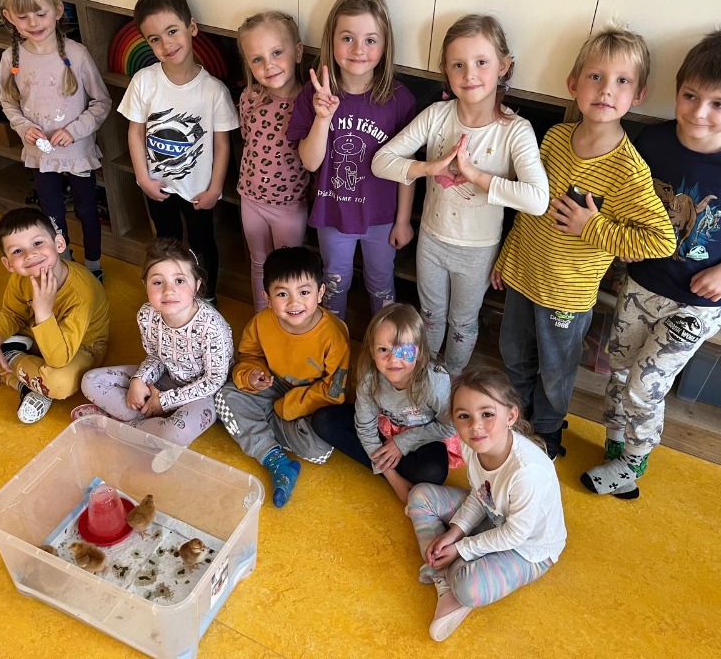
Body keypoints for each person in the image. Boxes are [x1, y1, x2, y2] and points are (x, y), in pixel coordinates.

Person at [582, 26, 721, 498]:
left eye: (718, 104)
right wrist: (620, 238)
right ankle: (617, 441)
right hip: (642, 283)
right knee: (618, 368)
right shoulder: (651, 142)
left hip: (697, 304)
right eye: (690, 96)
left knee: (644, 385)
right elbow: (623, 196)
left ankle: (633, 461)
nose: (698, 112)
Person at [492, 24, 676, 459]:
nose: (606, 89)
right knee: (514, 356)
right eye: (596, 76)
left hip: (567, 295)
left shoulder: (628, 169)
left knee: (554, 371)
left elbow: (660, 240)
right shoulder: (555, 138)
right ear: (574, 84)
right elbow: (530, 206)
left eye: (622, 81)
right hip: (523, 276)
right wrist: (506, 257)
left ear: (638, 94)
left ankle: (548, 433)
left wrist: (590, 227)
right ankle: (517, 423)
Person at [373, 15, 548, 375]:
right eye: (458, 65)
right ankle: (423, 377)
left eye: (481, 62)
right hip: (431, 241)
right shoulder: (437, 115)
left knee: (463, 323)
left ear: (503, 66)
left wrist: (475, 175)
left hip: (477, 250)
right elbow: (381, 162)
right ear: (446, 71)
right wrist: (430, 167)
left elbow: (537, 199)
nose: (470, 74)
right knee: (429, 316)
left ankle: (449, 379)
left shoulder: (515, 130)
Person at [406, 365, 566, 641]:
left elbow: (516, 535)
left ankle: (446, 576)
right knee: (419, 496)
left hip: (529, 548)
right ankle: (444, 576)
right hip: (493, 516)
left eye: (487, 414)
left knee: (469, 587)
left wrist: (461, 547)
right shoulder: (472, 445)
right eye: (463, 416)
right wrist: (454, 534)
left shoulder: (527, 472)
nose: (475, 426)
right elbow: (482, 495)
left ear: (511, 416)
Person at [288, 0, 417, 320]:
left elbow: (407, 168)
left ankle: (383, 348)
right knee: (334, 285)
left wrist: (404, 220)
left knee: (382, 285)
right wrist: (322, 117)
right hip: (333, 214)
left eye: (370, 40)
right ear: (331, 41)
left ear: (385, 45)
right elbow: (310, 162)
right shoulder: (314, 95)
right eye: (347, 38)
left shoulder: (399, 100)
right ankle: (334, 345)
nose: (359, 49)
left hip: (382, 218)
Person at [118, 0, 239, 304]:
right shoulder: (144, 81)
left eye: (172, 31)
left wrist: (215, 189)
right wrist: (143, 178)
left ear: (191, 27)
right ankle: (171, 298)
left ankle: (207, 300)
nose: (166, 44)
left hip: (198, 190)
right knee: (165, 244)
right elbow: (135, 132)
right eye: (155, 39)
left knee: (202, 243)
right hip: (158, 186)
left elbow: (222, 145)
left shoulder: (213, 91)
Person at [0, 0, 112, 281]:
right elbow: (8, 103)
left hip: (77, 153)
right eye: (23, 16)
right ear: (9, 17)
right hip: (41, 156)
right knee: (51, 215)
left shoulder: (77, 54)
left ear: (58, 11)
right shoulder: (11, 58)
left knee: (87, 211)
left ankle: (93, 267)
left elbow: (102, 102)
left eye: (40, 13)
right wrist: (23, 128)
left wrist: (74, 131)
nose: (34, 23)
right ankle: (63, 263)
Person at [76, 239, 233, 465]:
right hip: (165, 378)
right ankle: (144, 428)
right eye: (158, 282)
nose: (169, 290)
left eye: (180, 281)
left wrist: (164, 402)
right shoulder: (146, 315)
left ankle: (122, 426)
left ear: (197, 285)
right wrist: (139, 380)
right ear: (145, 284)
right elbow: (156, 356)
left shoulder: (212, 327)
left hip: (203, 395)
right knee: (90, 381)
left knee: (176, 433)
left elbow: (214, 381)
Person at [216, 246, 350, 508]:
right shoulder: (261, 322)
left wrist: (286, 407)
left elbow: (334, 391)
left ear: (320, 292)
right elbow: (249, 355)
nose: (294, 303)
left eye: (304, 292)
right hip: (273, 384)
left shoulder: (334, 336)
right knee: (225, 395)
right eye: (282, 294)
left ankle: (256, 427)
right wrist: (252, 375)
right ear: (267, 297)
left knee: (319, 450)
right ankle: (274, 458)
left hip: (311, 401)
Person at [0, 207, 109, 423]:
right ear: (8, 264)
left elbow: (59, 359)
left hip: (79, 348)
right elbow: (12, 313)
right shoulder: (20, 278)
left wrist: (43, 311)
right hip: (32, 332)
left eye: (37, 243)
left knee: (59, 384)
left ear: (59, 244)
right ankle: (25, 385)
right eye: (18, 251)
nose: (30, 255)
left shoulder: (81, 293)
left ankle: (11, 356)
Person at [311, 304, 463, 503]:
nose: (393, 359)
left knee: (432, 473)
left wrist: (402, 443)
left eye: (404, 350)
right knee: (323, 421)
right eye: (383, 349)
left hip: (424, 435)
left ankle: (387, 459)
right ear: (372, 351)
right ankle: (388, 465)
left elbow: (449, 426)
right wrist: (394, 479)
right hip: (384, 428)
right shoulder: (369, 378)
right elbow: (365, 427)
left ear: (419, 351)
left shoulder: (435, 382)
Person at [235, 11, 311, 311]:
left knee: (287, 271)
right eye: (257, 59)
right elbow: (247, 137)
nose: (268, 65)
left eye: (277, 53)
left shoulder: (309, 103)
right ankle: (262, 317)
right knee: (258, 263)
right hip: (251, 199)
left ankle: (287, 319)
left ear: (298, 52)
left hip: (289, 206)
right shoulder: (250, 97)